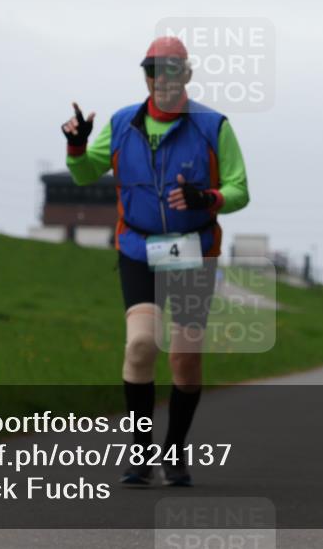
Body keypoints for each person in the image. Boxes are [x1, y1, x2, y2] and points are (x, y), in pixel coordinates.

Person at [60, 36, 250, 486]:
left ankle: (175, 450)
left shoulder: (212, 126)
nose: (160, 78)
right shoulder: (123, 123)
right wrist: (77, 148)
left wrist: (211, 196)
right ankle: (141, 451)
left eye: (170, 69)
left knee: (184, 359)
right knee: (141, 346)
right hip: (137, 247)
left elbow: (241, 190)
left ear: (186, 74)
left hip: (192, 249)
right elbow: (87, 172)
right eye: (152, 70)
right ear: (145, 75)